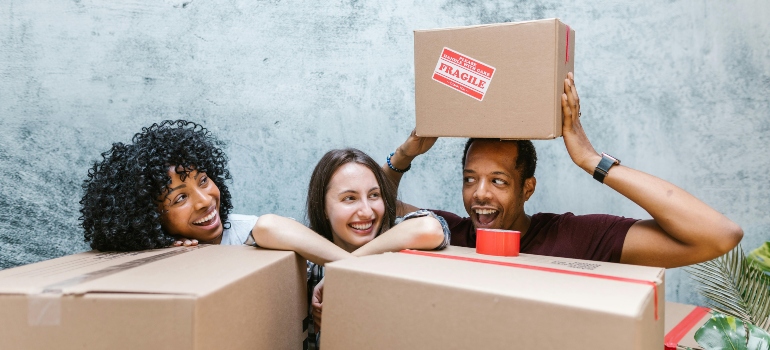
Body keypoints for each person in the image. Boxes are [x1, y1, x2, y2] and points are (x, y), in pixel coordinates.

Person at [382, 72, 743, 269]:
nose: (480, 193)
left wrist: (590, 160)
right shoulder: (446, 233)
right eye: (470, 179)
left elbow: (717, 236)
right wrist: (402, 155)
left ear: (527, 188)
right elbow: (376, 209)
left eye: (498, 181)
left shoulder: (575, 238)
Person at [251, 148, 450, 348]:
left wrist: (344, 270)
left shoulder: (399, 239)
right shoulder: (310, 265)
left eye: (374, 195)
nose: (366, 211)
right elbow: (266, 226)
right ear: (323, 208)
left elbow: (431, 228)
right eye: (349, 198)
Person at [80, 119, 257, 251]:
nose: (204, 201)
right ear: (149, 219)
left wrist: (264, 230)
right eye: (180, 198)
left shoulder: (248, 232)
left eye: (203, 181)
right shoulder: (154, 257)